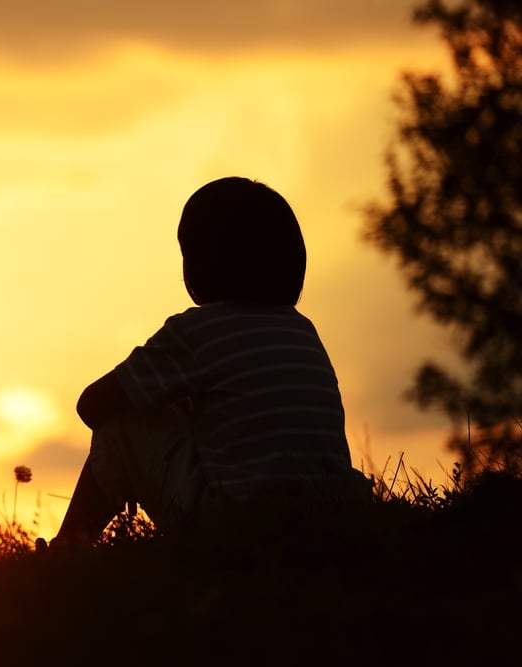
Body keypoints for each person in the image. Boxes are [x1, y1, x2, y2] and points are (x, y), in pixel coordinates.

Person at [53, 176, 369, 547]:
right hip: (334, 520)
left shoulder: (197, 332)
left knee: (120, 420)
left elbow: (93, 404)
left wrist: (166, 409)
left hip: (237, 527)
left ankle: (68, 547)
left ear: (200, 263)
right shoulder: (303, 330)